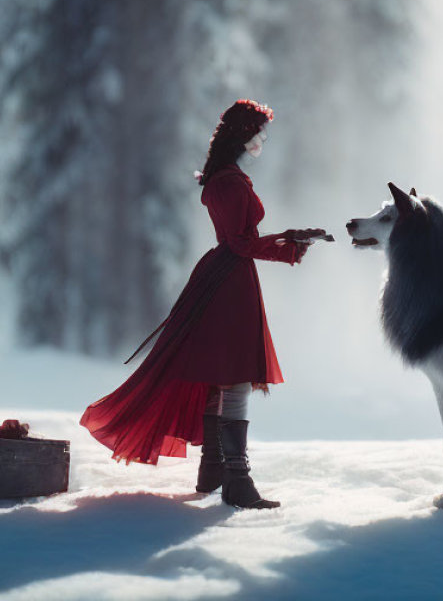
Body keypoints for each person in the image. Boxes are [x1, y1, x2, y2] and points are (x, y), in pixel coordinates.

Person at [80, 99, 325, 509]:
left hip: (228, 278)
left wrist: (290, 239)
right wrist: (290, 244)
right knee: (236, 376)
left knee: (225, 375)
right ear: (243, 136)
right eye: (258, 132)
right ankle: (237, 481)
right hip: (228, 281)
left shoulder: (226, 177)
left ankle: (214, 470)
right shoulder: (228, 182)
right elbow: (239, 243)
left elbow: (239, 241)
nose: (262, 139)